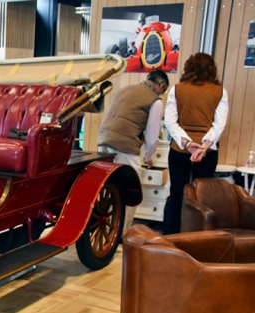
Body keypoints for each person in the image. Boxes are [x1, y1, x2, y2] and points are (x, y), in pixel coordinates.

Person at [163, 52, 229, 235]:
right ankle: (198, 238)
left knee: (177, 195)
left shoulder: (177, 89)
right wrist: (204, 146)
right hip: (208, 152)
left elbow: (170, 122)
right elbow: (219, 124)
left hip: (179, 150)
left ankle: (171, 238)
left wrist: (187, 143)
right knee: (202, 197)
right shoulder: (220, 91)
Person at [97, 69, 170, 232]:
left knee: (109, 190)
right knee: (131, 193)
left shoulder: (124, 90)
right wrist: (148, 156)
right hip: (125, 147)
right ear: (161, 85)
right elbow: (152, 136)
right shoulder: (155, 101)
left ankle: (105, 228)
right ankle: (120, 234)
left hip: (103, 141)